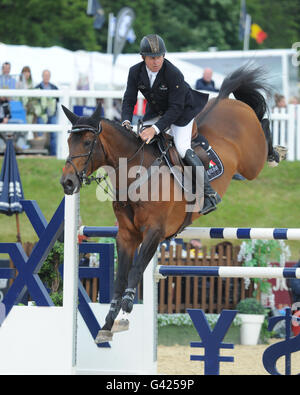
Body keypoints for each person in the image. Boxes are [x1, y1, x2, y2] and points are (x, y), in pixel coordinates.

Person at [121, 34, 221, 215]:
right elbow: (129, 99)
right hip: (157, 111)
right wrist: (126, 120)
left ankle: (210, 194)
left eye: (160, 56)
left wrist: (155, 128)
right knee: (137, 141)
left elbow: (175, 109)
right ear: (143, 57)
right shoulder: (135, 72)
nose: (156, 61)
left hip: (181, 112)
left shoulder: (173, 73)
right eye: (152, 57)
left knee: (182, 148)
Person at [35, 69, 59, 156]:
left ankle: (53, 154)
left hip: (52, 114)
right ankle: (40, 152)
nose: (46, 77)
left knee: (54, 135)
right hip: (41, 114)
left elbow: (58, 100)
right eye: (45, 75)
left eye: (48, 75)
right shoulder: (37, 87)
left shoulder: (54, 87)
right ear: (42, 76)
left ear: (49, 77)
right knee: (40, 134)